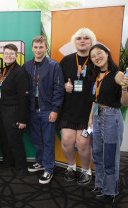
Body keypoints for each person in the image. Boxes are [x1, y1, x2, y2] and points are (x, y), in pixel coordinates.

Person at [88, 44, 128, 203]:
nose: (97, 57)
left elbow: (124, 103)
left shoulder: (117, 74)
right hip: (97, 116)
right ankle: (100, 184)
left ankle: (110, 191)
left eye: (99, 53)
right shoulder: (96, 75)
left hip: (112, 117)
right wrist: (90, 118)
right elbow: (95, 99)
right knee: (97, 154)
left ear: (107, 53)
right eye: (93, 56)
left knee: (110, 157)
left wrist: (125, 89)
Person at [23, 35, 64, 184]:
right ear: (32, 48)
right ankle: (40, 161)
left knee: (48, 140)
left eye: (41, 47)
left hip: (47, 110)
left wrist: (55, 109)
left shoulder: (54, 65)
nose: (38, 50)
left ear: (46, 48)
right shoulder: (27, 66)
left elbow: (59, 89)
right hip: (31, 110)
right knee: (36, 139)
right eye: (35, 47)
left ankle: (48, 169)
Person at [59, 28, 96, 185]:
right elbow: (57, 83)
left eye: (86, 38)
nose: (82, 41)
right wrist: (64, 87)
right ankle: (71, 167)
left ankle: (86, 170)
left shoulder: (96, 60)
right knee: (67, 141)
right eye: (79, 38)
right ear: (75, 41)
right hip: (69, 110)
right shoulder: (66, 60)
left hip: (88, 112)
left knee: (82, 143)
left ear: (91, 41)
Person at [0, 44, 30, 178]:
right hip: (1, 110)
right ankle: (7, 161)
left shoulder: (20, 72)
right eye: (6, 54)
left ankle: (22, 167)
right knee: (4, 138)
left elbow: (24, 97)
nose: (8, 56)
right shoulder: (3, 70)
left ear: (16, 56)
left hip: (14, 111)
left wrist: (22, 119)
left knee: (15, 140)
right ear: (3, 55)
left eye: (11, 54)